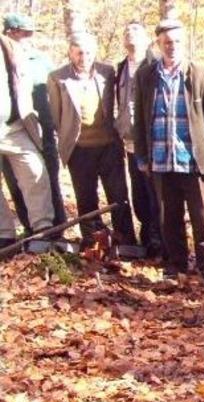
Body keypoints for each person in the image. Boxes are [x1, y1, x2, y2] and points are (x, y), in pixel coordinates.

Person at [134, 19, 204, 286]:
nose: (172, 47)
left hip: (193, 160)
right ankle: (176, 264)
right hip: (161, 159)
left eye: (176, 42)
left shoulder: (201, 73)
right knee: (168, 217)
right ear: (159, 44)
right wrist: (142, 156)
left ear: (184, 44)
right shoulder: (146, 75)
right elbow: (139, 119)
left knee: (202, 218)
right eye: (167, 42)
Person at [48, 32, 135, 248]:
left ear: (93, 52)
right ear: (70, 53)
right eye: (78, 52)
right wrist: (66, 140)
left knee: (118, 195)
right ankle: (93, 242)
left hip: (109, 146)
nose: (83, 57)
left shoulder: (108, 71)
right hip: (79, 148)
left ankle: (126, 240)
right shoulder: (58, 77)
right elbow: (56, 115)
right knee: (86, 198)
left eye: (87, 52)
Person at [2, 13, 65, 234]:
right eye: (24, 34)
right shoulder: (4, 52)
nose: (29, 38)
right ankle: (16, 232)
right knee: (14, 185)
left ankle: (50, 230)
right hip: (8, 127)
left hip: (30, 128)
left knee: (40, 175)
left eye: (31, 34)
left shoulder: (39, 60)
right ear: (11, 33)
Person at [0, 32, 53, 249]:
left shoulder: (9, 47)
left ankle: (43, 229)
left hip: (15, 125)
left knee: (35, 173)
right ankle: (4, 234)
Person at [117, 21, 162, 258]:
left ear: (147, 39)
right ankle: (146, 240)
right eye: (126, 30)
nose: (129, 34)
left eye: (135, 30)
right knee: (140, 196)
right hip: (130, 143)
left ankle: (160, 242)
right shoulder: (120, 68)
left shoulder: (155, 65)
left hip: (154, 143)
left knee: (157, 195)